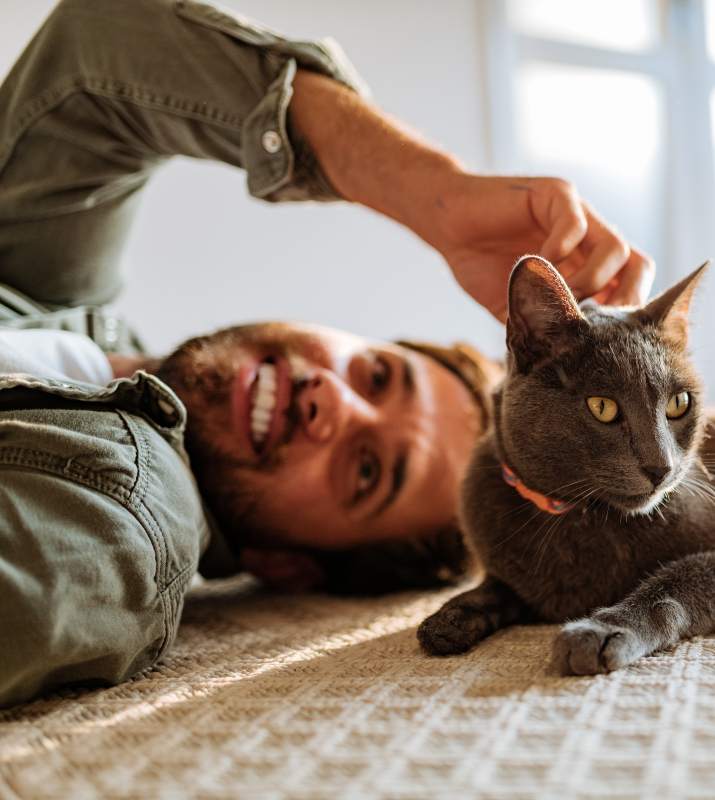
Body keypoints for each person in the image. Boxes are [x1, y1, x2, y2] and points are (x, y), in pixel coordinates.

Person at [0, 0, 653, 707]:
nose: (329, 401)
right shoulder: (54, 299)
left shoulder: (123, 523)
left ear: (290, 569)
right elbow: (98, 50)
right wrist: (434, 196)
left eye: (365, 469)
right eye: (375, 375)